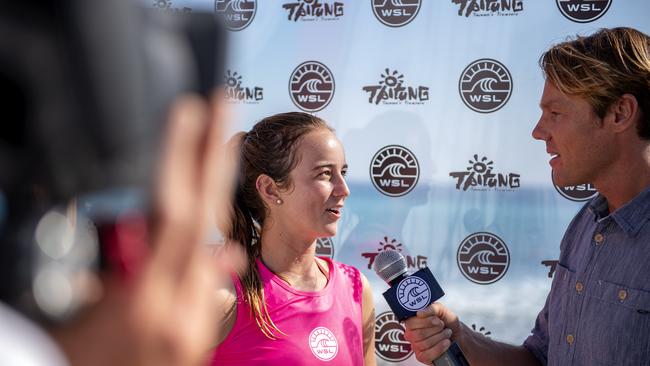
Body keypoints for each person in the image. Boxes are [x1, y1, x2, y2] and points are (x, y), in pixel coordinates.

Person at [403, 27, 650, 366]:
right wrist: (460, 335)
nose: (538, 131)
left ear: (619, 113)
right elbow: (539, 359)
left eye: (555, 113)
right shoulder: (585, 224)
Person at [210, 112, 377, 365]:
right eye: (324, 174)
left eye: (342, 172)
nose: (344, 189)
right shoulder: (222, 295)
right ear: (269, 188)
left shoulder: (355, 288)